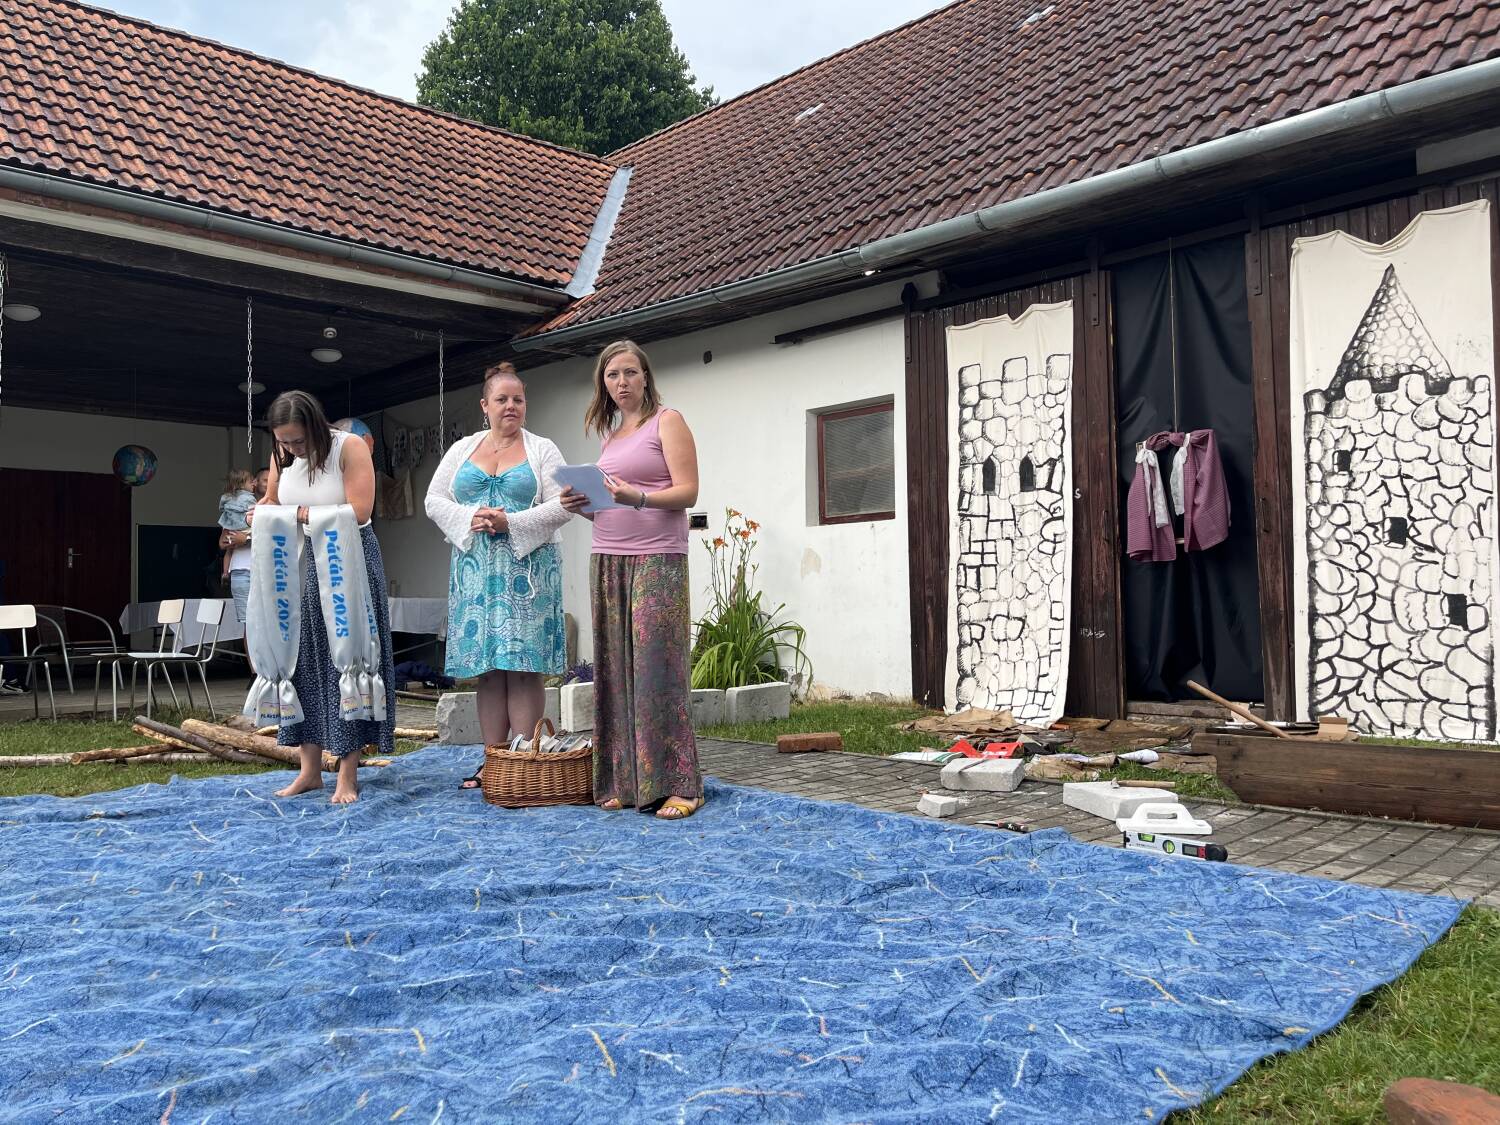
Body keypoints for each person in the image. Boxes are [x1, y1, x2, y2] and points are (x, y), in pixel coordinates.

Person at [560, 340, 703, 820]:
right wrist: (582, 507)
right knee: (616, 670)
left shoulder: (668, 421)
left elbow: (688, 492)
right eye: (612, 375)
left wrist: (638, 497)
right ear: (603, 384)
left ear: (645, 377)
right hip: (607, 558)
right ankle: (627, 780)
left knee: (656, 668)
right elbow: (611, 505)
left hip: (657, 558)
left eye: (629, 372)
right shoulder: (611, 436)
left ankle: (680, 783)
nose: (621, 382)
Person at [426, 362, 570, 787]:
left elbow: (566, 504)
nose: (511, 406)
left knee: (522, 666)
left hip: (529, 572)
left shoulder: (543, 449)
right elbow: (434, 499)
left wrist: (513, 522)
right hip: (474, 574)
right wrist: (470, 516)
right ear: (484, 405)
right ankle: (493, 760)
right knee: (488, 668)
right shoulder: (462, 449)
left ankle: (523, 761)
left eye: (518, 399)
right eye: (502, 399)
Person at [250, 390, 394, 804]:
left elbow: (360, 510)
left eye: (298, 440)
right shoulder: (282, 454)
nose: (292, 448)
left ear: (315, 426)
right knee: (299, 661)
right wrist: (260, 512)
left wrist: (296, 515)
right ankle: (309, 771)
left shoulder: (349, 448)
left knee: (344, 659)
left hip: (345, 561)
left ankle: (347, 773)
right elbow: (273, 500)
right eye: (284, 441)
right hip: (295, 565)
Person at [219, 468, 269, 623]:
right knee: (248, 622)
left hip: (268, 571)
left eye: (274, 480)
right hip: (241, 569)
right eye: (265, 480)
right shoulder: (236, 506)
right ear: (255, 482)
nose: (270, 484)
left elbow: (276, 538)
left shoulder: (277, 508)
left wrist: (246, 538)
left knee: (268, 622)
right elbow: (222, 542)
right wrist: (236, 539)